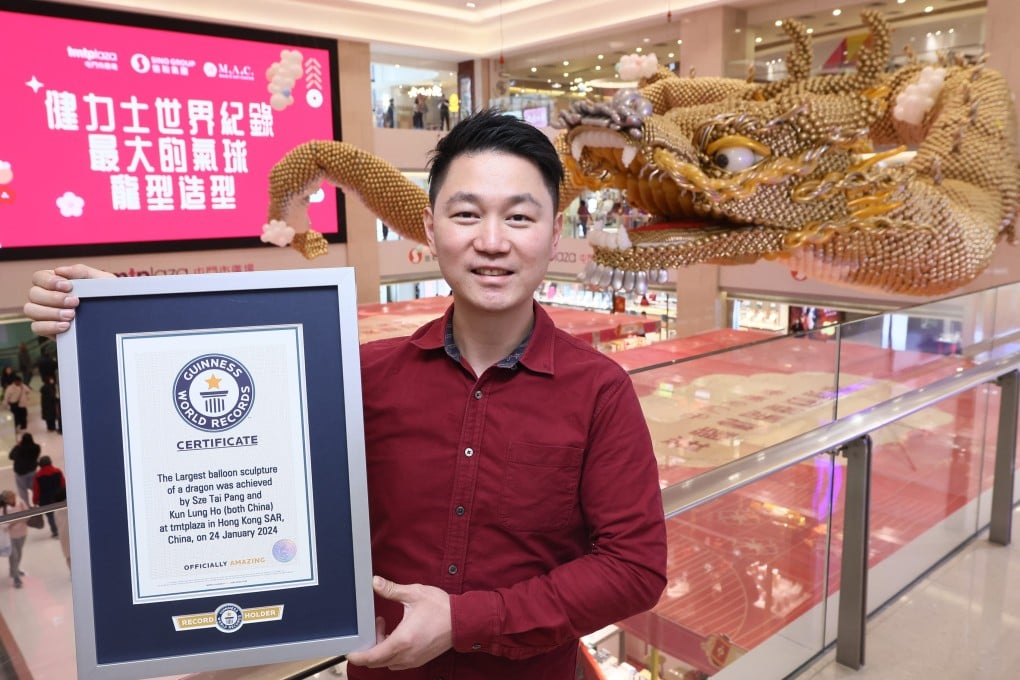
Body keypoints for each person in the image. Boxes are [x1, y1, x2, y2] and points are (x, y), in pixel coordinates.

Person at [23, 109, 668, 679]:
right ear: (430, 226)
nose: (492, 241)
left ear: (554, 234)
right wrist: (115, 312)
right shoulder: (360, 375)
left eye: (519, 217)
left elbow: (635, 567)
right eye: (466, 213)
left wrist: (469, 619)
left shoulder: (599, 392)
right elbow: (224, 406)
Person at [1, 490, 29, 589]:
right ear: (6, 500)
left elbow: (27, 515)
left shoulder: (20, 502)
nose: (13, 498)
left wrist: (13, 522)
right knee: (14, 556)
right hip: (10, 537)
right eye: (10, 497)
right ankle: (16, 578)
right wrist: (16, 521)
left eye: (13, 496)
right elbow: (3, 525)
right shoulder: (2, 509)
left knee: (19, 553)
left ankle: (14, 570)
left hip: (22, 533)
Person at [33, 455, 65, 538]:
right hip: (59, 499)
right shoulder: (58, 471)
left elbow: (36, 490)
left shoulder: (38, 476)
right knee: (62, 515)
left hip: (45, 501)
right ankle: (64, 529)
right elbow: (63, 484)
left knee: (50, 517)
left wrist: (35, 501)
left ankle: (55, 532)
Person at [9, 433, 40, 505]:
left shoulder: (19, 449)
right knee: (33, 487)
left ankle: (26, 506)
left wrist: (17, 446)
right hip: (32, 470)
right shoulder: (36, 447)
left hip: (20, 473)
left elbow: (10, 456)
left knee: (22, 490)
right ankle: (37, 502)